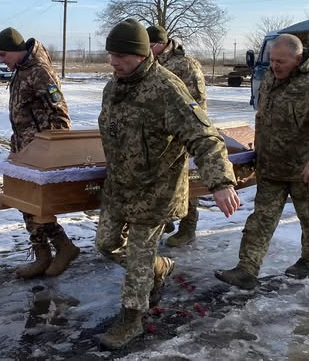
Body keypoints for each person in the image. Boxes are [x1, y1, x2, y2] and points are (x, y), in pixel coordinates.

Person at [96, 18, 240, 349]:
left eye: (122, 56)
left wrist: (220, 182)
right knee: (106, 244)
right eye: (110, 55)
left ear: (143, 56)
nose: (114, 63)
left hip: (157, 189)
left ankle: (131, 320)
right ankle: (161, 268)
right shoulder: (113, 87)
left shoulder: (167, 90)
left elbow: (206, 138)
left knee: (138, 255)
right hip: (120, 187)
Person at [215, 34, 309, 290]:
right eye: (272, 60)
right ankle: (246, 269)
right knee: (261, 219)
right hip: (272, 167)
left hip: (305, 169)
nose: (275, 66)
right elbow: (265, 118)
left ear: (298, 59)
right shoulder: (271, 78)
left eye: (281, 61)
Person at [0, 27, 79, 279]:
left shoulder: (40, 72)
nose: (1, 60)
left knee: (38, 205)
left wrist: (56, 152)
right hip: (24, 149)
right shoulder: (22, 70)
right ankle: (44, 254)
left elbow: (60, 114)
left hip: (41, 153)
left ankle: (62, 247)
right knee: (25, 202)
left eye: (2, 55)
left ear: (16, 51)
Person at [146, 24, 207, 247]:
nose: (147, 49)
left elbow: (197, 103)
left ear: (162, 44)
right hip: (159, 136)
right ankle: (166, 220)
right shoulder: (150, 63)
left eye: (151, 45)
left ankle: (188, 228)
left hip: (183, 133)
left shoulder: (185, 64)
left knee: (187, 182)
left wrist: (190, 132)